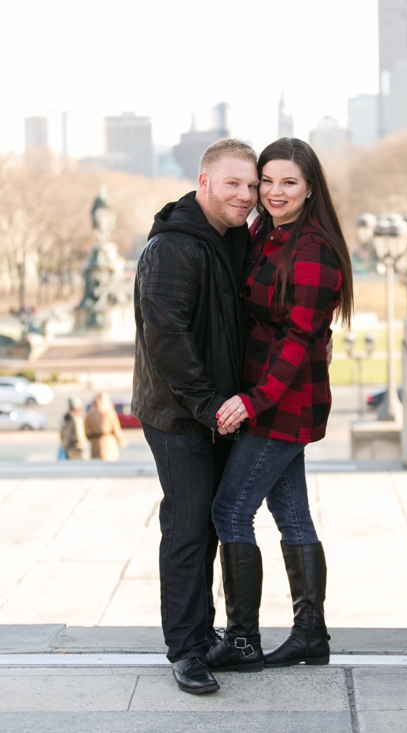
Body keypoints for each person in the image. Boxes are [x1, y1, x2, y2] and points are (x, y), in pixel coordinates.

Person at [202, 138, 353, 674]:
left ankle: (243, 642)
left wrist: (252, 401)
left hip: (282, 403)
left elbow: (296, 341)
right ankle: (311, 634)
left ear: (310, 187)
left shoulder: (311, 249)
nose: (273, 191)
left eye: (288, 182)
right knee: (291, 514)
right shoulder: (268, 233)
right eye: (267, 180)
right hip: (273, 398)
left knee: (230, 511)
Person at [132, 138, 258, 695]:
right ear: (204, 182)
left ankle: (206, 635)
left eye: (252, 186)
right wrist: (208, 406)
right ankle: (186, 649)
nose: (247, 195)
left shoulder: (234, 239)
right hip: (180, 416)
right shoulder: (174, 248)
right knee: (187, 527)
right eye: (234, 184)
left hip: (220, 414)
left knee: (211, 523)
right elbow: (167, 339)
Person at [84, 392, 127, 460]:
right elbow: (116, 430)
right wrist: (121, 440)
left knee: (97, 466)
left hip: (95, 443)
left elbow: (85, 431)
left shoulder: (89, 414)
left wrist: (91, 438)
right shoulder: (109, 413)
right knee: (109, 466)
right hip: (108, 442)